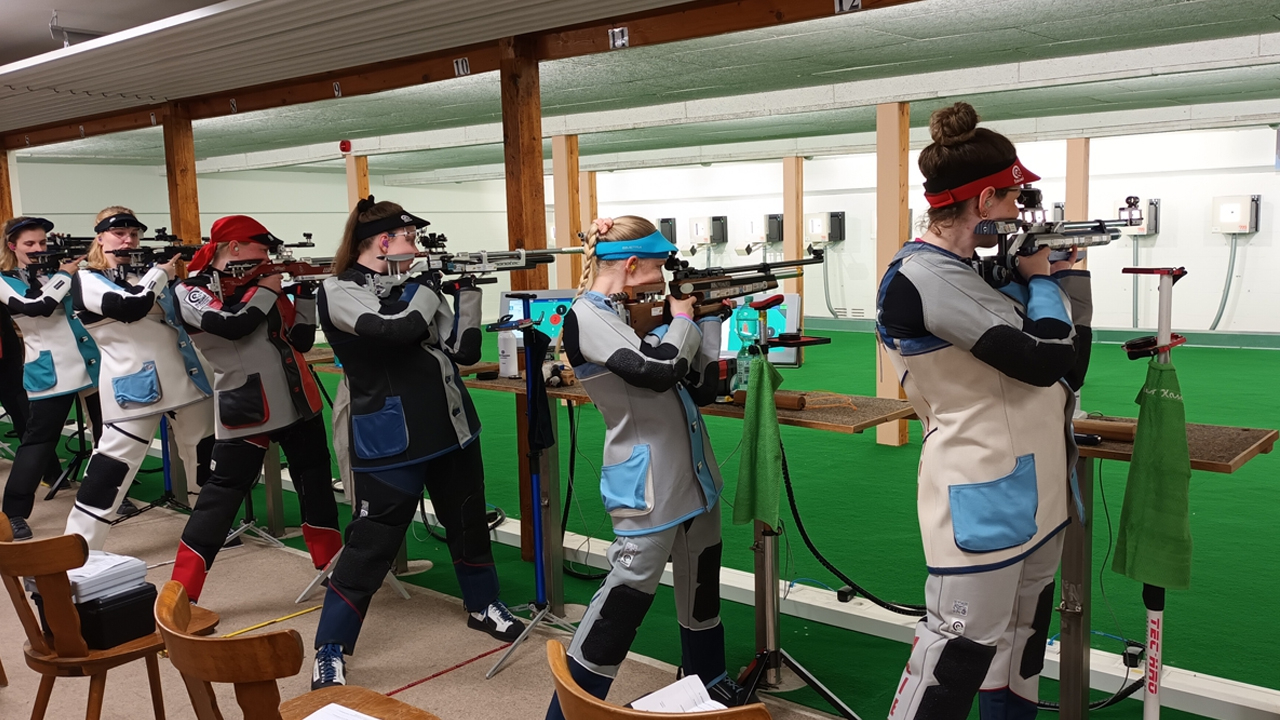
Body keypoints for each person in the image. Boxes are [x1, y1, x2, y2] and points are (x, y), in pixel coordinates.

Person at [876, 102, 1093, 720]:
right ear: (986, 199)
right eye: (1014, 201)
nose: (1021, 213)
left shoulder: (978, 274)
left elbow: (1071, 368)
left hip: (1042, 491)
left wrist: (1064, 278)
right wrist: (1042, 281)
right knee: (958, 654)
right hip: (982, 494)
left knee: (1022, 646)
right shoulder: (924, 276)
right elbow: (1040, 360)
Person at [310, 196, 523, 689]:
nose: (417, 246)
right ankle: (331, 647)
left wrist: (466, 292)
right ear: (383, 241)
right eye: (409, 238)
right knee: (371, 545)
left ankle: (482, 604)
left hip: (451, 428)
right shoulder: (339, 289)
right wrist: (427, 286)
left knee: (468, 521)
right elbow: (395, 330)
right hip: (390, 437)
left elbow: (463, 351)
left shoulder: (411, 286)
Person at [544, 215, 747, 720]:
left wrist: (709, 319)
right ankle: (568, 710)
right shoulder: (587, 317)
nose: (666, 274)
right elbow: (657, 372)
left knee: (701, 586)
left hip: (694, 478)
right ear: (632, 265)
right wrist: (681, 318)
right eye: (660, 265)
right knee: (624, 600)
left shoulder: (631, 313)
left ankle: (709, 683)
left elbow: (698, 385)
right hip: (648, 484)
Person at [169, 215, 341, 602]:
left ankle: (331, 566)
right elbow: (232, 325)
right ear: (234, 249)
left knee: (315, 483)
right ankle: (183, 591)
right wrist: (266, 289)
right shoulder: (190, 289)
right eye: (261, 249)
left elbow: (299, 339)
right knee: (222, 496)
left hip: (298, 399)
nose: (267, 257)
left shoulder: (259, 284)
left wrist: (307, 294)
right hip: (248, 406)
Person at [64, 206, 215, 550]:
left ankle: (206, 532)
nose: (128, 239)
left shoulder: (145, 275)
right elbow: (130, 308)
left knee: (202, 458)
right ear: (99, 238)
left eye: (134, 234)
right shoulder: (86, 278)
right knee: (111, 468)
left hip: (188, 378)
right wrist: (160, 273)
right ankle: (76, 547)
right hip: (134, 390)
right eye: (119, 233)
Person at [0, 217, 103, 540]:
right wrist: (63, 274)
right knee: (38, 443)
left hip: (92, 364)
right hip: (51, 370)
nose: (37, 249)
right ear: (12, 246)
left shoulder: (56, 272)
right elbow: (36, 308)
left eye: (42, 243)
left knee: (108, 436)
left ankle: (106, 495)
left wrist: (69, 265)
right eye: (29, 244)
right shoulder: (4, 279)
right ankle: (13, 513)